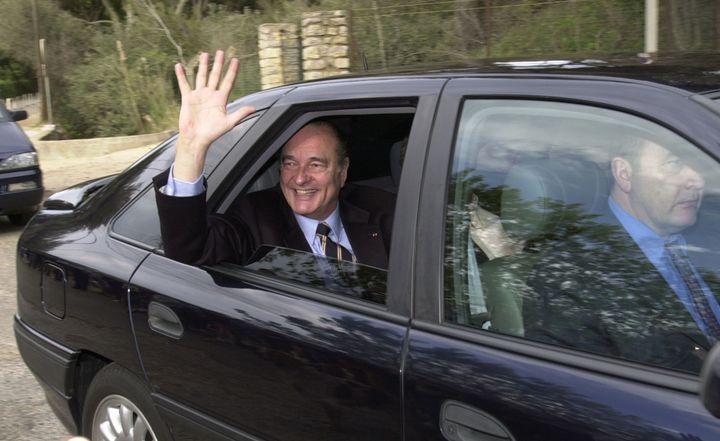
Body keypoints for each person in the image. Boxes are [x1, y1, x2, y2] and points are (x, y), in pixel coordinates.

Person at [154, 50, 393, 268]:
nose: (299, 178)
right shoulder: (255, 219)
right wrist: (191, 146)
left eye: (315, 164)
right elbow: (189, 252)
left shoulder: (381, 210)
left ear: (342, 172)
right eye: (290, 163)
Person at [520, 137, 720, 372]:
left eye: (698, 164)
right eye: (675, 163)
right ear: (624, 174)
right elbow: (585, 392)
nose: (697, 180)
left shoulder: (711, 235)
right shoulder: (567, 274)